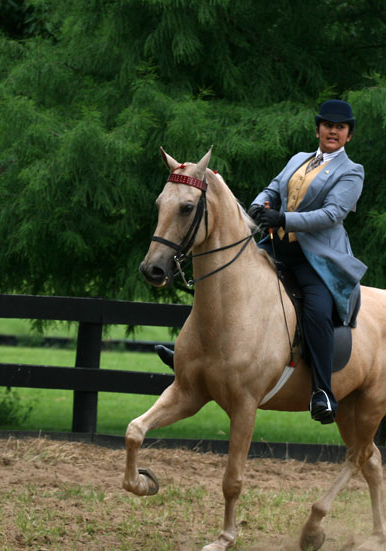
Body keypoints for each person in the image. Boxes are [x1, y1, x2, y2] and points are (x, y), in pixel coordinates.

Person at [156, 99, 366, 425]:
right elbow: (273, 188)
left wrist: (282, 217)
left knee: (316, 310)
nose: (333, 132)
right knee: (223, 285)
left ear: (348, 135)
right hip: (277, 250)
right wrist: (259, 205)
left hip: (318, 261)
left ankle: (322, 391)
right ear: (318, 129)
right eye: (328, 126)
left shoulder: (351, 172)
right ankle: (192, 359)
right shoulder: (299, 159)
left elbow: (332, 215)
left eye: (340, 128)